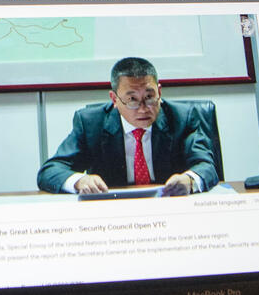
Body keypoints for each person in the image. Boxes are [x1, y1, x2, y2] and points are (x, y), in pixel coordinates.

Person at [36, 57, 219, 195]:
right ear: (114, 99)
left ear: (159, 92)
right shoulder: (91, 123)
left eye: (149, 97)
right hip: (114, 212)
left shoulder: (183, 118)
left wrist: (189, 180)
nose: (143, 108)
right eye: (132, 99)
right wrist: (80, 181)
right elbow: (50, 171)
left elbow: (206, 166)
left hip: (170, 207)